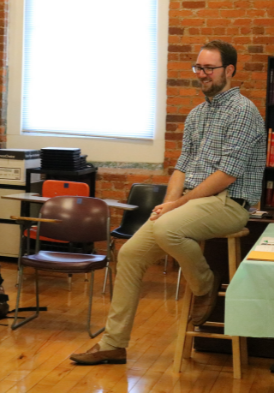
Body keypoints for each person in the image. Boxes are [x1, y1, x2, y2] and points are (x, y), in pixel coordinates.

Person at [70, 40, 266, 365]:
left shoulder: (245, 112)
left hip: (230, 204)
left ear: (229, 70)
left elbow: (226, 175)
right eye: (198, 68)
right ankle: (114, 344)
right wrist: (167, 204)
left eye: (208, 68)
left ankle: (204, 283)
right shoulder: (196, 115)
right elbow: (182, 167)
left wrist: (175, 208)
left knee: (168, 229)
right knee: (129, 252)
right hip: (191, 205)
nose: (201, 74)